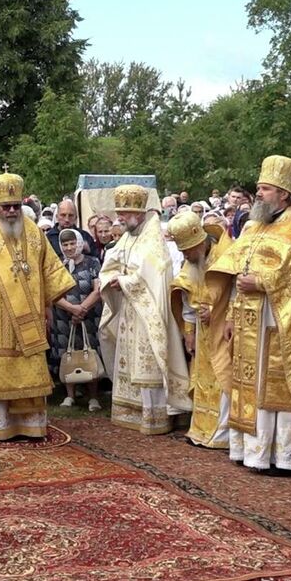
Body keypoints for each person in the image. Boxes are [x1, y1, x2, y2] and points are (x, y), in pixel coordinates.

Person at [207, 155, 291, 472]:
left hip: (277, 323)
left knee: (273, 386)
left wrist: (263, 282)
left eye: (266, 189)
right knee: (248, 385)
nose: (258, 194)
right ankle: (250, 451)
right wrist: (230, 315)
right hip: (245, 321)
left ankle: (280, 456)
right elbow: (236, 273)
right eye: (258, 188)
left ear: (283, 194)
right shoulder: (253, 225)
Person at [0, 170, 74, 440]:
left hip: (32, 314)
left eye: (16, 206)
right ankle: (2, 426)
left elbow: (50, 269)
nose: (11, 212)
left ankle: (31, 425)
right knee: (1, 366)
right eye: (5, 207)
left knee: (29, 366)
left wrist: (49, 306)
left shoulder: (34, 233)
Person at [99, 185, 191, 433]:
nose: (119, 219)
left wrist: (124, 281)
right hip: (130, 307)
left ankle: (155, 417)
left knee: (147, 360)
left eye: (124, 214)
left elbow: (151, 276)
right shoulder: (129, 236)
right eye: (119, 213)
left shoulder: (153, 239)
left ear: (138, 214)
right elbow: (112, 261)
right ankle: (130, 412)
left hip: (148, 313)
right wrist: (112, 278)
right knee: (129, 360)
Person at [168, 211, 232, 448]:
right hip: (203, 332)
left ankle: (222, 433)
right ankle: (201, 429)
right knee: (203, 377)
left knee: (222, 376)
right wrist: (188, 333)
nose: (185, 256)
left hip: (224, 330)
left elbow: (235, 294)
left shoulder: (225, 255)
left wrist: (215, 310)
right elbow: (187, 301)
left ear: (200, 242)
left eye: (188, 251)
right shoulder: (191, 262)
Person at [48, 228, 102, 411]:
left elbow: (97, 289)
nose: (69, 247)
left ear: (79, 242)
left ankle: (93, 396)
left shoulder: (92, 262)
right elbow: (53, 293)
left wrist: (82, 309)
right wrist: (72, 309)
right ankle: (69, 395)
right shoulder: (58, 266)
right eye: (65, 244)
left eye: (72, 243)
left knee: (90, 352)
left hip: (89, 317)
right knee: (67, 354)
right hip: (64, 318)